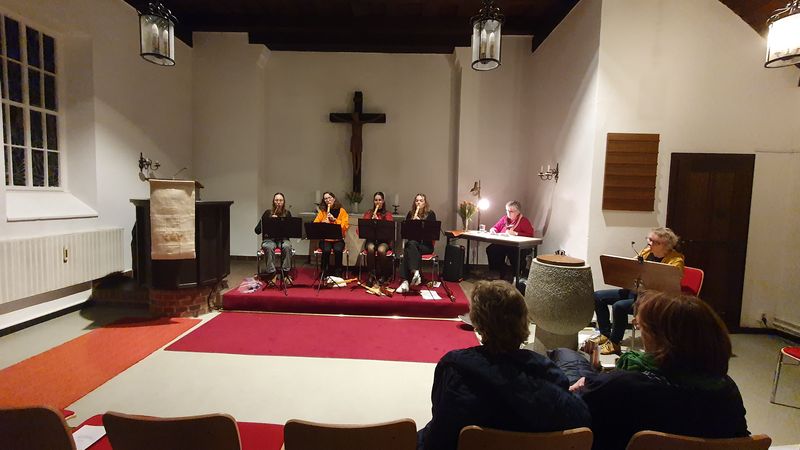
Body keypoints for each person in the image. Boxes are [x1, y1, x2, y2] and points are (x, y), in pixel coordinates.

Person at [417, 281, 591, 450]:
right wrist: (571, 395)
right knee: (568, 357)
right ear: (524, 320)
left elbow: (441, 432)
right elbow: (581, 423)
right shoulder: (547, 374)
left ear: (478, 324)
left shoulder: (454, 367)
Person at [567, 291, 749, 450]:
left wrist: (587, 385)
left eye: (642, 328)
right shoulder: (727, 390)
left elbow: (569, 414)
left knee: (566, 357)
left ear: (663, 339)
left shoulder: (624, 386)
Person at [589, 227, 685, 355]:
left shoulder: (676, 261)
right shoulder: (646, 251)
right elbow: (631, 269)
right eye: (649, 239)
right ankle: (605, 334)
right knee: (598, 296)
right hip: (636, 291)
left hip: (652, 299)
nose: (649, 243)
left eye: (654, 241)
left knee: (619, 307)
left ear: (666, 245)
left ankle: (615, 342)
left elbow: (668, 286)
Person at [396, 194, 437, 294]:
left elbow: (432, 233)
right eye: (417, 200)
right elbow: (405, 233)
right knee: (411, 245)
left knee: (409, 248)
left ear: (425, 203)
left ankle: (406, 281)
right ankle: (415, 273)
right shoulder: (410, 214)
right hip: (413, 244)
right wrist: (412, 224)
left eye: (421, 201)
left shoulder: (430, 214)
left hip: (426, 245)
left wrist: (421, 224)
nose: (418, 202)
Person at [486, 200, 535, 280]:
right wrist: (493, 230)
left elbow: (530, 234)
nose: (508, 213)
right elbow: (496, 227)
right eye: (507, 210)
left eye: (511, 211)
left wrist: (516, 233)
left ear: (518, 212)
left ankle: (517, 275)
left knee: (514, 253)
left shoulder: (523, 220)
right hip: (504, 244)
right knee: (491, 249)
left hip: (516, 245)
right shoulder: (504, 218)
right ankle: (497, 271)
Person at [254, 192, 294, 285]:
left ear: (284, 202)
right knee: (268, 247)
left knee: (287, 246)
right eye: (276, 200)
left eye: (280, 200)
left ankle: (285, 274)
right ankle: (272, 274)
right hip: (269, 239)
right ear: (273, 201)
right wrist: (269, 221)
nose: (278, 202)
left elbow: (291, 230)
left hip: (283, 239)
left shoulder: (287, 213)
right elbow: (257, 230)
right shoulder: (267, 213)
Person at [361, 191, 394, 285]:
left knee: (381, 250)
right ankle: (371, 275)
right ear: (373, 201)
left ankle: (384, 275)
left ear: (383, 201)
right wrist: (370, 222)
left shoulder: (387, 214)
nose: (378, 202)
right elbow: (361, 230)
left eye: (380, 200)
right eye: (376, 200)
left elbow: (390, 231)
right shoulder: (368, 213)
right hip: (371, 240)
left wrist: (379, 221)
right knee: (370, 248)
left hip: (384, 241)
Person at [313, 191, 349, 277]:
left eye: (329, 198)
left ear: (334, 199)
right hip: (325, 239)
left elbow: (345, 226)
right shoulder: (323, 212)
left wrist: (335, 220)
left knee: (338, 250)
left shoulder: (342, 211)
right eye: (325, 199)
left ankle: (338, 271)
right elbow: (315, 225)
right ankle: (324, 271)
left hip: (338, 239)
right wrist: (323, 223)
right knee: (326, 250)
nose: (328, 200)